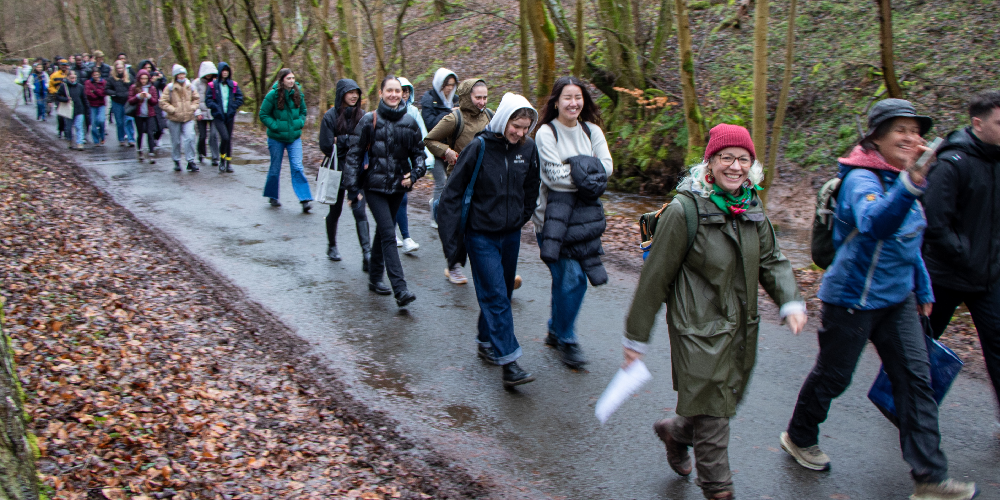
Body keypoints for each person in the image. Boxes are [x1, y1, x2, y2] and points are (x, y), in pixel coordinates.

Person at [781, 99, 978, 500]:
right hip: (852, 299)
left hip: (898, 299)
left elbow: (910, 243)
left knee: (915, 381)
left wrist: (922, 289)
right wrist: (910, 183)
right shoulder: (861, 180)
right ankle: (799, 436)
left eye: (916, 131)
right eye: (900, 131)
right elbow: (876, 225)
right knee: (834, 376)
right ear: (875, 138)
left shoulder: (906, 179)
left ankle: (930, 477)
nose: (912, 138)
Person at [625, 124, 805, 500]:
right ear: (710, 163)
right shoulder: (684, 210)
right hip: (697, 331)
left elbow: (772, 260)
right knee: (715, 419)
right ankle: (718, 490)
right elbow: (655, 278)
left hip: (741, 328)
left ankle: (676, 431)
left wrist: (789, 301)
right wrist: (636, 337)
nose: (735, 166)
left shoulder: (751, 206)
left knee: (719, 403)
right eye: (727, 157)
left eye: (743, 159)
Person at [437, 93, 540, 388]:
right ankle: (510, 362)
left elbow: (532, 185)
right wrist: (452, 243)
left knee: (503, 292)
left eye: (525, 127)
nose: (520, 133)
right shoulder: (479, 147)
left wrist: (523, 215)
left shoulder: (528, 149)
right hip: (480, 234)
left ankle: (485, 339)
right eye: (516, 126)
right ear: (504, 119)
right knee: (495, 294)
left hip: (510, 234)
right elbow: (452, 194)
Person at [923, 90, 1000, 435]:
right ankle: (905, 399)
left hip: (989, 276)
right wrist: (964, 254)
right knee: (922, 343)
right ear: (978, 123)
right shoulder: (952, 162)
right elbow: (935, 221)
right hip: (945, 274)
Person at [532, 76, 612, 368]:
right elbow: (554, 178)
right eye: (567, 97)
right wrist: (587, 174)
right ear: (556, 101)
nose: (573, 103)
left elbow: (606, 171)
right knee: (573, 278)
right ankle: (567, 338)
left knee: (564, 280)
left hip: (585, 222)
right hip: (550, 222)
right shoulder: (546, 134)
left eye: (578, 97)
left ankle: (556, 329)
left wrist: (574, 169)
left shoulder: (592, 132)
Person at [343, 75, 426, 307]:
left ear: (403, 94)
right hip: (374, 187)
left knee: (383, 231)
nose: (393, 95)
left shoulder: (409, 122)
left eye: (397, 91)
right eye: (389, 91)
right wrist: (352, 189)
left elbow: (420, 155)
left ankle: (375, 277)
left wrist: (415, 174)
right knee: (390, 234)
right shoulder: (369, 120)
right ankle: (400, 289)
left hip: (399, 187)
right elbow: (353, 156)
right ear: (380, 93)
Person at [425, 78, 492, 283]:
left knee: (487, 224)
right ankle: (453, 266)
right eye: (477, 97)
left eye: (485, 97)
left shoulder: (490, 116)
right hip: (459, 179)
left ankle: (496, 270)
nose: (482, 102)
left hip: (485, 180)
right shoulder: (454, 119)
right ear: (466, 97)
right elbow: (429, 140)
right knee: (457, 224)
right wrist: (447, 151)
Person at [318, 78, 371, 269]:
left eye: (356, 92)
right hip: (336, 170)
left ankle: (367, 254)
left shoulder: (363, 116)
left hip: (356, 170)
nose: (354, 96)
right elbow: (325, 145)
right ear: (341, 94)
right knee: (336, 209)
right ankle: (331, 245)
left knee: (359, 210)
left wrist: (340, 140)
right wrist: (350, 141)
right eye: (350, 92)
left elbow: (366, 142)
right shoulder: (330, 116)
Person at [259, 68, 312, 211]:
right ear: (282, 80)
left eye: (293, 78)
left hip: (294, 137)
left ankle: (305, 199)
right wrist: (275, 126)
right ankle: (272, 195)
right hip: (276, 138)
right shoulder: (272, 95)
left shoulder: (298, 94)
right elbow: (263, 114)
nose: (291, 81)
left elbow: (303, 111)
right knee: (275, 168)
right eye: (288, 78)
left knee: (297, 166)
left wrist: (299, 123)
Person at [394, 77, 433, 255]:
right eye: (402, 90)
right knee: (398, 199)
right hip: (387, 163)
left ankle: (400, 235)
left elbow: (422, 133)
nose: (404, 94)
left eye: (407, 91)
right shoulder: (385, 112)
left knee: (400, 198)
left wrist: (427, 158)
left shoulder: (413, 111)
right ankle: (401, 235)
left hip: (406, 162)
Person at [420, 68, 458, 231]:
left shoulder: (456, 99)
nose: (449, 88)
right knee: (441, 182)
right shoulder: (429, 99)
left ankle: (441, 206)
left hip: (450, 148)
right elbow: (430, 123)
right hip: (433, 148)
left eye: (452, 85)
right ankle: (435, 216)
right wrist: (450, 113)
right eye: (446, 85)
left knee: (451, 182)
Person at [159, 64, 201, 172]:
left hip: (188, 117)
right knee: (176, 141)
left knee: (190, 138)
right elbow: (162, 102)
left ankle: (190, 161)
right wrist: (172, 110)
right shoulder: (169, 88)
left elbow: (196, 99)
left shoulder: (190, 86)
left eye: (183, 74)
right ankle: (176, 160)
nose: (181, 76)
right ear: (175, 75)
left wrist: (192, 108)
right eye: (179, 74)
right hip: (174, 118)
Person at [204, 62, 244, 172]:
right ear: (220, 71)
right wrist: (216, 107)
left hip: (229, 115)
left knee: (228, 139)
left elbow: (240, 98)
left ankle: (228, 163)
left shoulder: (233, 85)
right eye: (223, 70)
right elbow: (208, 101)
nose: (225, 72)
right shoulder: (212, 85)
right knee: (225, 137)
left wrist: (233, 107)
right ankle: (222, 160)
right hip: (218, 116)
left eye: (227, 70)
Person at [128, 69, 160, 163]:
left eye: (145, 78)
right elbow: (130, 100)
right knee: (140, 133)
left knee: (150, 133)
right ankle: (140, 150)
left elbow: (155, 102)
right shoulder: (134, 87)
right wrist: (138, 97)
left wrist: (149, 97)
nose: (143, 80)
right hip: (138, 114)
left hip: (149, 114)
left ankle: (151, 153)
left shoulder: (152, 88)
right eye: (142, 79)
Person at [193, 61, 220, 168]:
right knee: (202, 135)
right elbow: (194, 99)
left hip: (213, 113)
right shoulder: (196, 83)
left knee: (213, 135)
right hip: (201, 113)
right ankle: (200, 153)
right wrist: (197, 112)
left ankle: (215, 157)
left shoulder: (216, 83)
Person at [57, 71, 90, 150]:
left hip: (79, 109)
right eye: (71, 78)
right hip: (69, 110)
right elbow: (57, 96)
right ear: (68, 77)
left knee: (79, 126)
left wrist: (87, 108)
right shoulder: (63, 86)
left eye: (74, 78)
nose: (73, 79)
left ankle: (80, 143)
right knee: (68, 127)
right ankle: (69, 140)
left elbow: (84, 98)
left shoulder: (80, 87)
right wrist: (65, 99)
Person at [106, 61, 135, 147]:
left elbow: (134, 87)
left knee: (129, 120)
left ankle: (131, 139)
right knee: (119, 122)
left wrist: (129, 95)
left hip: (127, 102)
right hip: (117, 102)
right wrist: (115, 93)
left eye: (121, 68)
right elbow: (107, 89)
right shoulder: (111, 79)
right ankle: (121, 138)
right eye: (118, 68)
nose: (119, 70)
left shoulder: (129, 77)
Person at [84, 68, 108, 146]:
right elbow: (88, 94)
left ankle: (102, 136)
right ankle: (96, 140)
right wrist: (97, 94)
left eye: (97, 74)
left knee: (101, 120)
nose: (96, 76)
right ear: (92, 75)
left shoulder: (103, 82)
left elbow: (103, 93)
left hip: (101, 104)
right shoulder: (88, 82)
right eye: (94, 75)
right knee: (93, 123)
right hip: (92, 105)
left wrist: (94, 91)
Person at [49, 59, 70, 139]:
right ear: (60, 66)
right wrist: (55, 92)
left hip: (68, 97)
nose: (64, 67)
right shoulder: (54, 75)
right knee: (60, 115)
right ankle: (60, 130)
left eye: (65, 65)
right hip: (59, 97)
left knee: (68, 115)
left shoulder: (69, 74)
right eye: (62, 65)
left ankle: (67, 130)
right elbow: (50, 86)